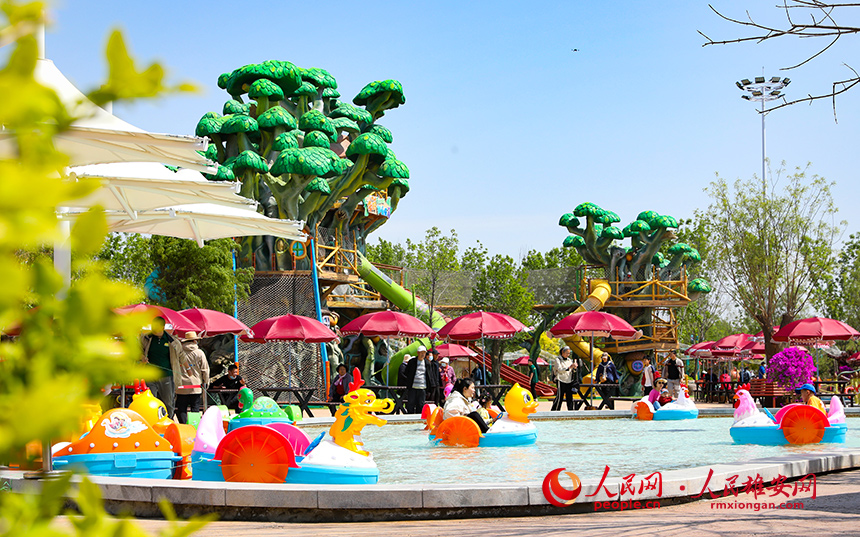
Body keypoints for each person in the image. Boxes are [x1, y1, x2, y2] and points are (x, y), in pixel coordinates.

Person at [140, 316, 187, 419]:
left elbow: (181, 355)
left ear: (162, 327)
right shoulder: (146, 338)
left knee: (168, 401)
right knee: (150, 400)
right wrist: (142, 357)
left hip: (167, 376)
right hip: (150, 375)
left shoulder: (172, 341)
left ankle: (168, 420)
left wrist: (188, 369)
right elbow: (138, 351)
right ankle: (152, 420)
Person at [174, 331, 210, 425]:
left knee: (181, 407)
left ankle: (184, 425)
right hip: (196, 386)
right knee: (195, 408)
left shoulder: (178, 353)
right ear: (195, 341)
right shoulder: (199, 353)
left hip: (181, 386)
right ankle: (194, 425)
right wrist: (206, 382)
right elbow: (205, 369)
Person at [404, 346, 431, 414]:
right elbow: (406, 372)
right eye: (421, 353)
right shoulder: (412, 362)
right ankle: (410, 420)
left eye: (424, 353)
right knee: (410, 404)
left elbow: (430, 376)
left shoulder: (427, 363)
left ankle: (419, 420)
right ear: (418, 353)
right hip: (413, 387)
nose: (422, 354)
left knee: (421, 405)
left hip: (422, 387)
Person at [551, 346, 578, 411]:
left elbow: (572, 371)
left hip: (568, 380)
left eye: (569, 353)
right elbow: (560, 370)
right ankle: (555, 411)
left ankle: (571, 411)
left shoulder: (569, 360)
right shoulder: (558, 359)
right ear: (562, 352)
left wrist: (574, 368)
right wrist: (569, 367)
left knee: (569, 397)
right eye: (566, 353)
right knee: (560, 397)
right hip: (560, 379)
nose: (568, 355)